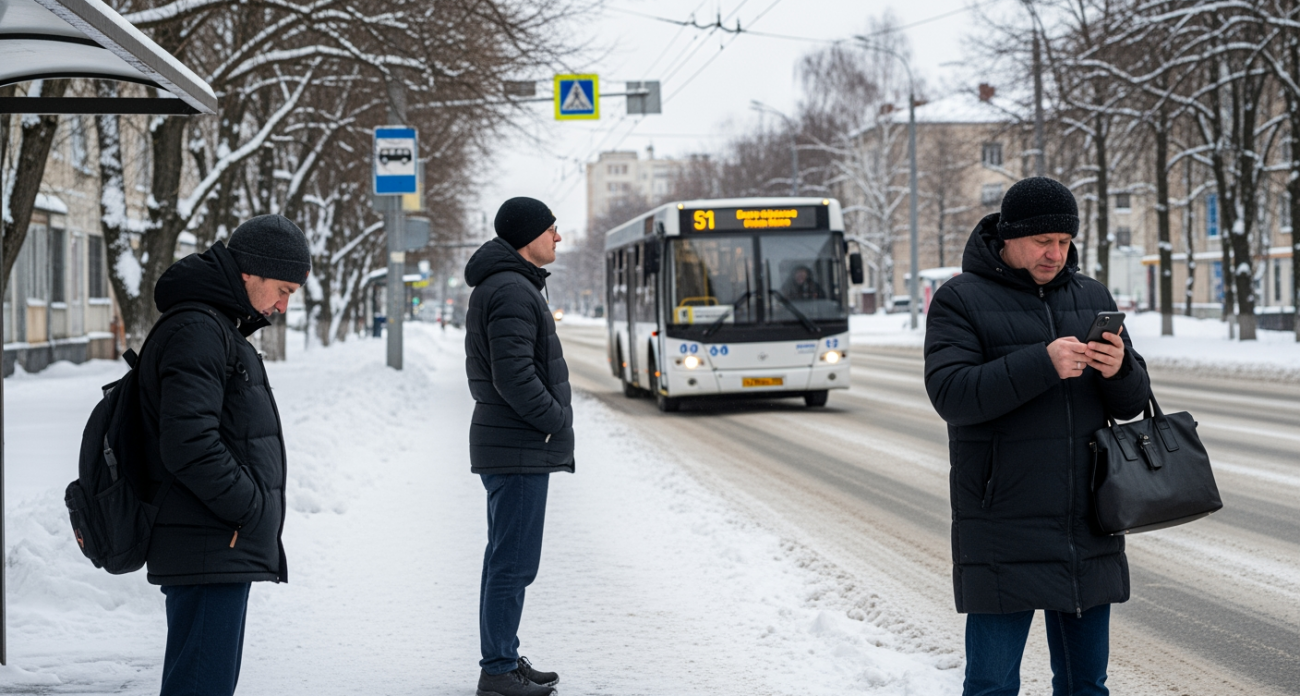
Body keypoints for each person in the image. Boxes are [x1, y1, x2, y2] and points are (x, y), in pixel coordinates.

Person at [922, 177, 1151, 696]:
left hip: (1087, 519)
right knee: (991, 686)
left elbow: (1131, 403)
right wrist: (1040, 363)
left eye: (1065, 242)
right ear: (1009, 236)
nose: (1056, 253)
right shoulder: (960, 298)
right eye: (1043, 241)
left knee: (1086, 685)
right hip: (1004, 521)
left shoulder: (1091, 294)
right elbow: (950, 393)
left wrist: (1120, 370)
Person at [136, 214, 308, 696]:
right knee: (201, 683)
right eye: (283, 289)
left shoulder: (218, 327)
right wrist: (249, 509)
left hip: (215, 540)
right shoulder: (200, 329)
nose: (282, 304)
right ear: (248, 272)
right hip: (210, 540)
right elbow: (189, 444)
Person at [463, 197, 573, 696]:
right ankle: (499, 669)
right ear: (527, 236)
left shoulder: (513, 284)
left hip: (513, 443)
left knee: (507, 559)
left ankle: (503, 658)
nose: (558, 237)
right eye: (551, 229)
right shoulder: (511, 289)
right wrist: (554, 420)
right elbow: (514, 376)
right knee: (513, 562)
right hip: (519, 444)